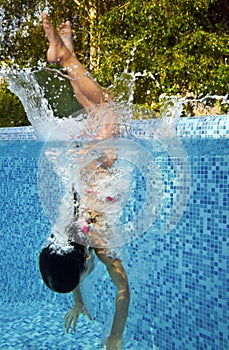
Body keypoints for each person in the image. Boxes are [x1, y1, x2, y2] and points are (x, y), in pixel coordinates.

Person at [39, 13, 130, 350]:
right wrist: (77, 302)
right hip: (87, 161)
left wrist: (115, 336)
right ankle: (64, 52)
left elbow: (124, 291)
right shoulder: (64, 237)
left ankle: (66, 56)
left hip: (104, 158)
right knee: (91, 104)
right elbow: (72, 264)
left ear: (86, 262)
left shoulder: (100, 248)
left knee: (105, 104)